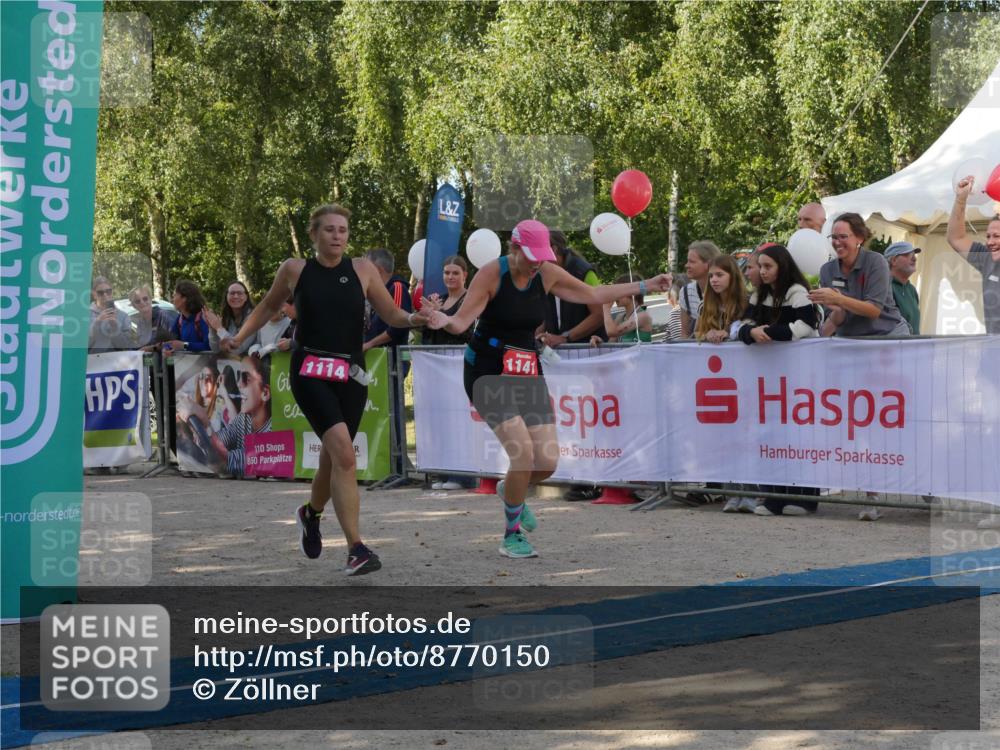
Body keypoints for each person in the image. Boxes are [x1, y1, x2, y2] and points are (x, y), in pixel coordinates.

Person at [425, 219, 672, 559]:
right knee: (522, 454)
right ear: (514, 249)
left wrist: (646, 285)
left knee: (549, 462)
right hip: (487, 371)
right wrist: (443, 320)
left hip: (527, 369)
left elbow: (593, 295)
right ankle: (511, 536)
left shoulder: (547, 273)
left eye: (542, 255)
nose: (537, 262)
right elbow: (462, 321)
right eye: (531, 255)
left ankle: (510, 489)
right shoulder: (491, 274)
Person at [222, 203, 429, 576]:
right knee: (347, 457)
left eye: (343, 230)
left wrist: (415, 317)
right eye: (330, 230)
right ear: (314, 234)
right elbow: (267, 307)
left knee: (334, 459)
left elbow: (392, 314)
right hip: (310, 372)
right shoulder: (295, 270)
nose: (337, 236)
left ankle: (310, 513)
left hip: (350, 374)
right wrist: (237, 337)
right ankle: (356, 549)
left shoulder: (363, 270)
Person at [810, 213, 907, 521]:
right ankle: (872, 495)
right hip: (851, 346)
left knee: (898, 417)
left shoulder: (876, 262)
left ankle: (924, 490)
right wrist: (817, 339)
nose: (838, 242)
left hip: (887, 341)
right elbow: (838, 316)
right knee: (859, 420)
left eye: (843, 236)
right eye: (833, 237)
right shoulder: (827, 270)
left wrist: (838, 298)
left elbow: (873, 309)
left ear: (859, 238)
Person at [738, 243, 821, 516]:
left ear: (781, 268)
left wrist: (770, 332)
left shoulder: (797, 293)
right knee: (772, 434)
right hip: (771, 377)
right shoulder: (757, 296)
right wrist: (752, 333)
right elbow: (742, 325)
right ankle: (774, 496)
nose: (761, 272)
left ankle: (805, 498)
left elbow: (807, 325)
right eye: (760, 266)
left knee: (800, 435)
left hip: (800, 375)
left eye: (767, 267)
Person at [421, 255, 473, 491]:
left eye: (455, 273)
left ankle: (462, 475)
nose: (450, 277)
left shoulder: (469, 299)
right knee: (440, 420)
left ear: (465, 275)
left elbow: (468, 333)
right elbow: (429, 338)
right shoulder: (438, 299)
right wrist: (429, 317)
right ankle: (442, 471)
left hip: (459, 368)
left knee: (458, 421)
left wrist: (446, 317)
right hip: (437, 370)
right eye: (446, 273)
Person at [947, 176, 1000, 334]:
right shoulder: (987, 258)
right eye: (988, 236)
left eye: (996, 236)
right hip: (993, 351)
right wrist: (961, 199)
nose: (990, 242)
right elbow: (956, 238)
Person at [540, 230, 605, 349]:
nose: (534, 258)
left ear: (553, 249)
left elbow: (599, 315)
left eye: (538, 251)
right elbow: (543, 315)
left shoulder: (584, 272)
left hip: (589, 351)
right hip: (560, 353)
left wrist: (565, 338)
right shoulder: (542, 273)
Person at [695, 255, 748, 344]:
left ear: (733, 276)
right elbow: (696, 333)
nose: (713, 280)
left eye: (719, 275)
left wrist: (728, 333)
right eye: (711, 276)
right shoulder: (704, 305)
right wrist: (706, 335)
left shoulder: (746, 303)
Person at [591, 273, 653, 345]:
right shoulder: (620, 318)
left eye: (619, 292)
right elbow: (611, 344)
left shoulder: (643, 316)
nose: (616, 295)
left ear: (633, 293)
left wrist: (606, 308)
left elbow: (611, 332)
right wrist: (600, 342)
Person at [679, 241, 722, 338]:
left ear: (708, 264)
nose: (687, 265)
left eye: (692, 262)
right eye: (687, 261)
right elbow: (684, 333)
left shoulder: (725, 291)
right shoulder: (686, 292)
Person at [206, 280, 258, 355]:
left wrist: (219, 329)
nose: (236, 296)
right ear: (226, 296)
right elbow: (215, 349)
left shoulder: (253, 317)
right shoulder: (227, 317)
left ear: (246, 297)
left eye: (240, 293)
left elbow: (237, 350)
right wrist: (212, 327)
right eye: (232, 293)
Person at [88, 276, 136, 353]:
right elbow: (82, 344)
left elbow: (126, 346)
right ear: (94, 294)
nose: (105, 295)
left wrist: (115, 327)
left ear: (112, 292)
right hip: (93, 362)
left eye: (108, 291)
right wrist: (97, 323)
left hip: (116, 362)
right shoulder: (85, 315)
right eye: (100, 293)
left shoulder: (123, 316)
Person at [164, 280, 211, 354]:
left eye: (175, 295)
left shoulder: (204, 317)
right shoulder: (180, 319)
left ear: (184, 298)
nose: (172, 299)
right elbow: (170, 342)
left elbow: (210, 346)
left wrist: (184, 345)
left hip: (205, 364)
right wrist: (168, 348)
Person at [885, 241, 921, 335]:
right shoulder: (884, 287)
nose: (914, 259)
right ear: (893, 261)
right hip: (894, 347)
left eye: (914, 255)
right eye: (907, 255)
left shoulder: (912, 290)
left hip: (912, 347)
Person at [128, 285, 176, 351]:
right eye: (137, 301)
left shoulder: (162, 316)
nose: (142, 302)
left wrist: (149, 349)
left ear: (150, 299)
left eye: (145, 299)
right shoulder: (140, 322)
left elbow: (173, 344)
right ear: (134, 306)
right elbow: (140, 345)